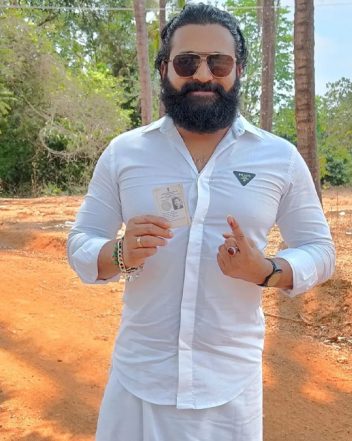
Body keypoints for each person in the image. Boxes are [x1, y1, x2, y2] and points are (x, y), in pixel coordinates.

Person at [66, 5, 335, 440]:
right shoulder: (125, 152)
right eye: (187, 61)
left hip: (230, 389)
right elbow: (81, 239)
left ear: (239, 69)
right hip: (137, 383)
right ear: (165, 68)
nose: (203, 74)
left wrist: (266, 271)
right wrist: (118, 252)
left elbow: (320, 250)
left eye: (219, 62)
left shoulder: (279, 158)